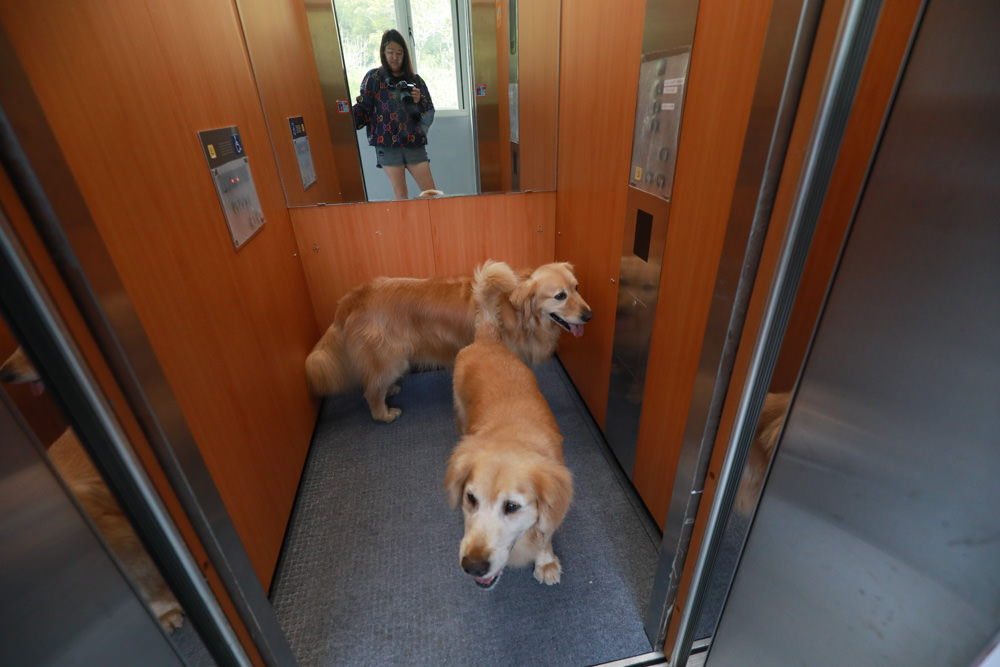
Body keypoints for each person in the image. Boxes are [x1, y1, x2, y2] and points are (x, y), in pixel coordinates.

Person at [352, 29, 437, 199]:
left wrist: (419, 101)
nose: (395, 57)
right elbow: (363, 108)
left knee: (430, 192)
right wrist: (343, 120)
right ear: (383, 52)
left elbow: (429, 111)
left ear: (405, 54)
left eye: (399, 52)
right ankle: (405, 226)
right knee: (401, 195)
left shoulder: (415, 80)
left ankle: (435, 225)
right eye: (390, 52)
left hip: (413, 143)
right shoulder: (374, 78)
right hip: (387, 144)